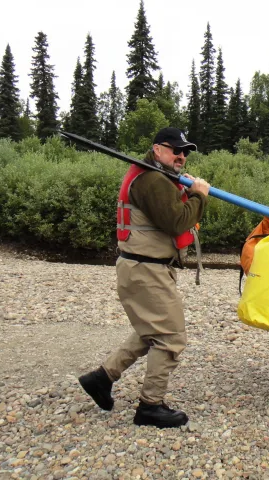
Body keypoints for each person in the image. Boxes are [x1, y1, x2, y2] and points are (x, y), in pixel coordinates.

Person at [78, 127, 210, 428]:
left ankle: (101, 378)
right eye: (175, 149)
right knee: (171, 337)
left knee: (151, 330)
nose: (181, 155)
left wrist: (191, 193)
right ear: (157, 149)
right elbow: (178, 221)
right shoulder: (152, 180)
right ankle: (151, 406)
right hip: (145, 269)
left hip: (145, 268)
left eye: (185, 151)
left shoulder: (157, 176)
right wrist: (199, 197)